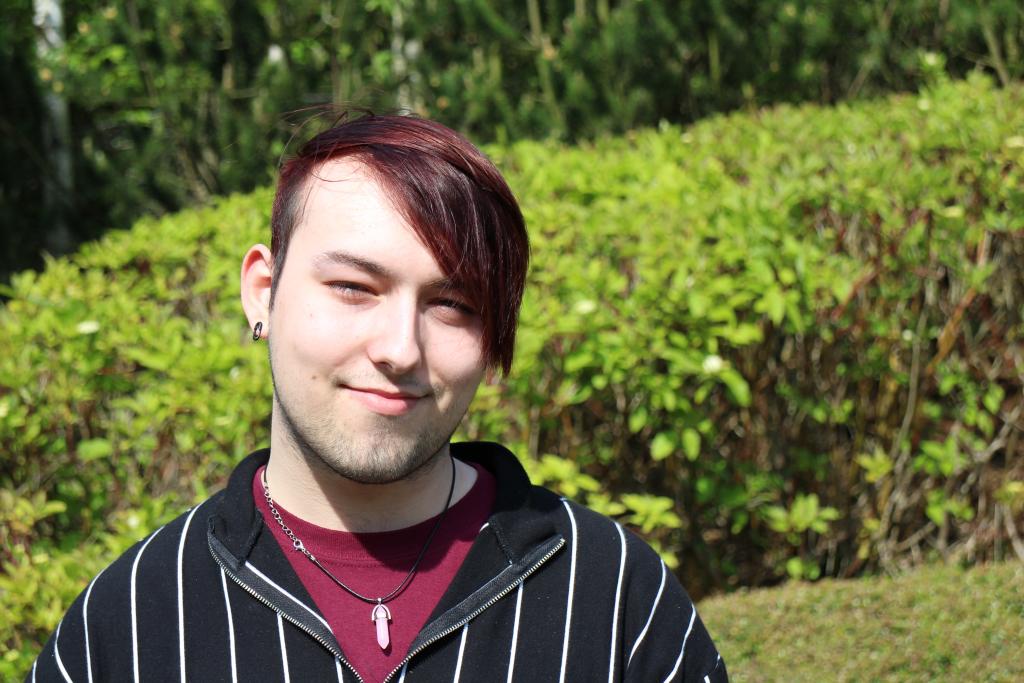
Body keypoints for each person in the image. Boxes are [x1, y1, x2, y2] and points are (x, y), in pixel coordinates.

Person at [29, 113, 727, 682]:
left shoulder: (612, 598)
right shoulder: (129, 623)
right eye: (354, 288)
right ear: (263, 293)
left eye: (452, 304)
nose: (400, 348)